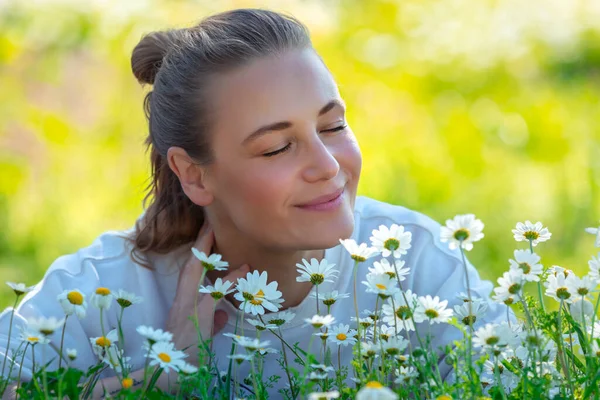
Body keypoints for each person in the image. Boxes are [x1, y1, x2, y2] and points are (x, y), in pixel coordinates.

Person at [0, 8, 509, 398]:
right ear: (194, 174)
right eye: (277, 147)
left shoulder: (413, 263)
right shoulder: (103, 292)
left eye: (332, 126)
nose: (328, 166)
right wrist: (159, 375)